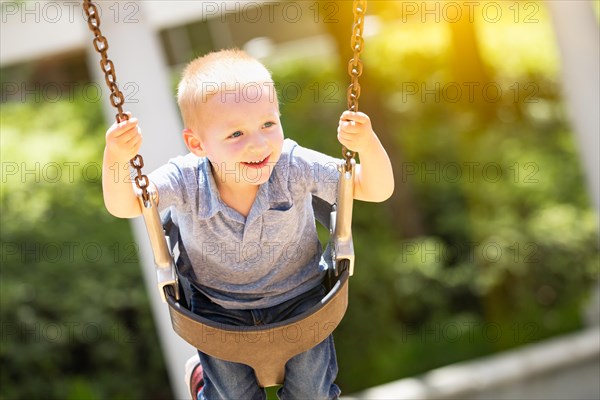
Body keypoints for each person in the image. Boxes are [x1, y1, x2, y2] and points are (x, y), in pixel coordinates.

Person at [101, 49, 394, 400]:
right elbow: (126, 204)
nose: (258, 143)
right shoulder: (185, 180)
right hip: (217, 309)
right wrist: (116, 157)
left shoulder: (292, 165)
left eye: (268, 124)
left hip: (300, 298)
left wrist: (367, 144)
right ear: (197, 144)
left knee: (313, 393)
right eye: (236, 134)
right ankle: (202, 379)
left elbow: (374, 188)